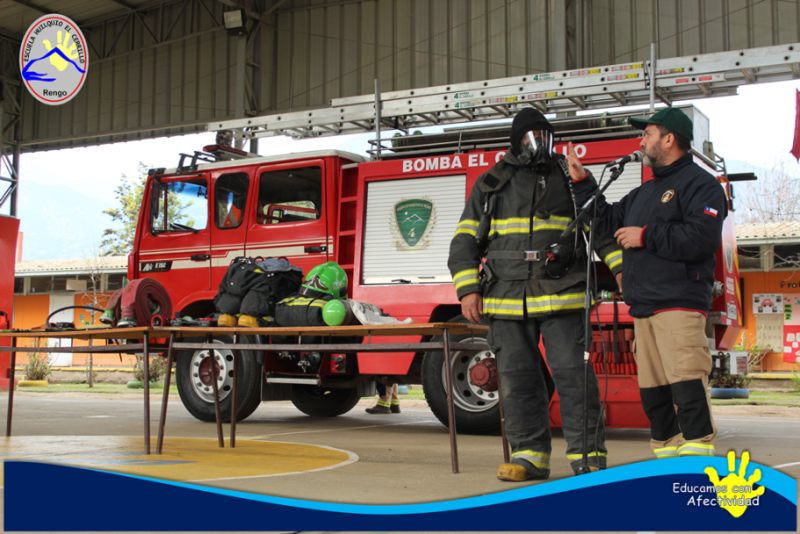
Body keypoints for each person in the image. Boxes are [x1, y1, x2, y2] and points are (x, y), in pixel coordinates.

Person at [448, 107, 624, 481]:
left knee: (575, 380)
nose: (539, 144)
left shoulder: (569, 176)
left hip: (563, 296)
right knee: (517, 380)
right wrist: (467, 290)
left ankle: (588, 460)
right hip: (506, 298)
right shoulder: (491, 183)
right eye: (531, 137)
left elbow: (601, 229)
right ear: (516, 142)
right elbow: (464, 241)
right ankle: (530, 458)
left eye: (545, 135)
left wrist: (624, 270)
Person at [570, 107, 727, 459]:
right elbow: (607, 220)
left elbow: (702, 238)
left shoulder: (702, 184)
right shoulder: (645, 192)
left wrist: (646, 236)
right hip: (644, 305)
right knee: (653, 391)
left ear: (669, 139)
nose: (641, 141)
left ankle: (698, 454)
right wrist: (583, 182)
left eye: (648, 134)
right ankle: (666, 453)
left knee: (686, 381)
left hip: (679, 302)